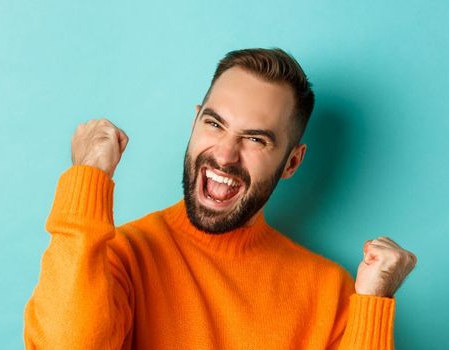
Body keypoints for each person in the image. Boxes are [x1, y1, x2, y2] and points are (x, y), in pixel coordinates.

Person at [23, 48, 417, 349]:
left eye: (255, 139)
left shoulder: (329, 291)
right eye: (214, 124)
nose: (224, 155)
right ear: (195, 121)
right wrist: (88, 177)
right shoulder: (121, 257)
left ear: (292, 162)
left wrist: (373, 303)